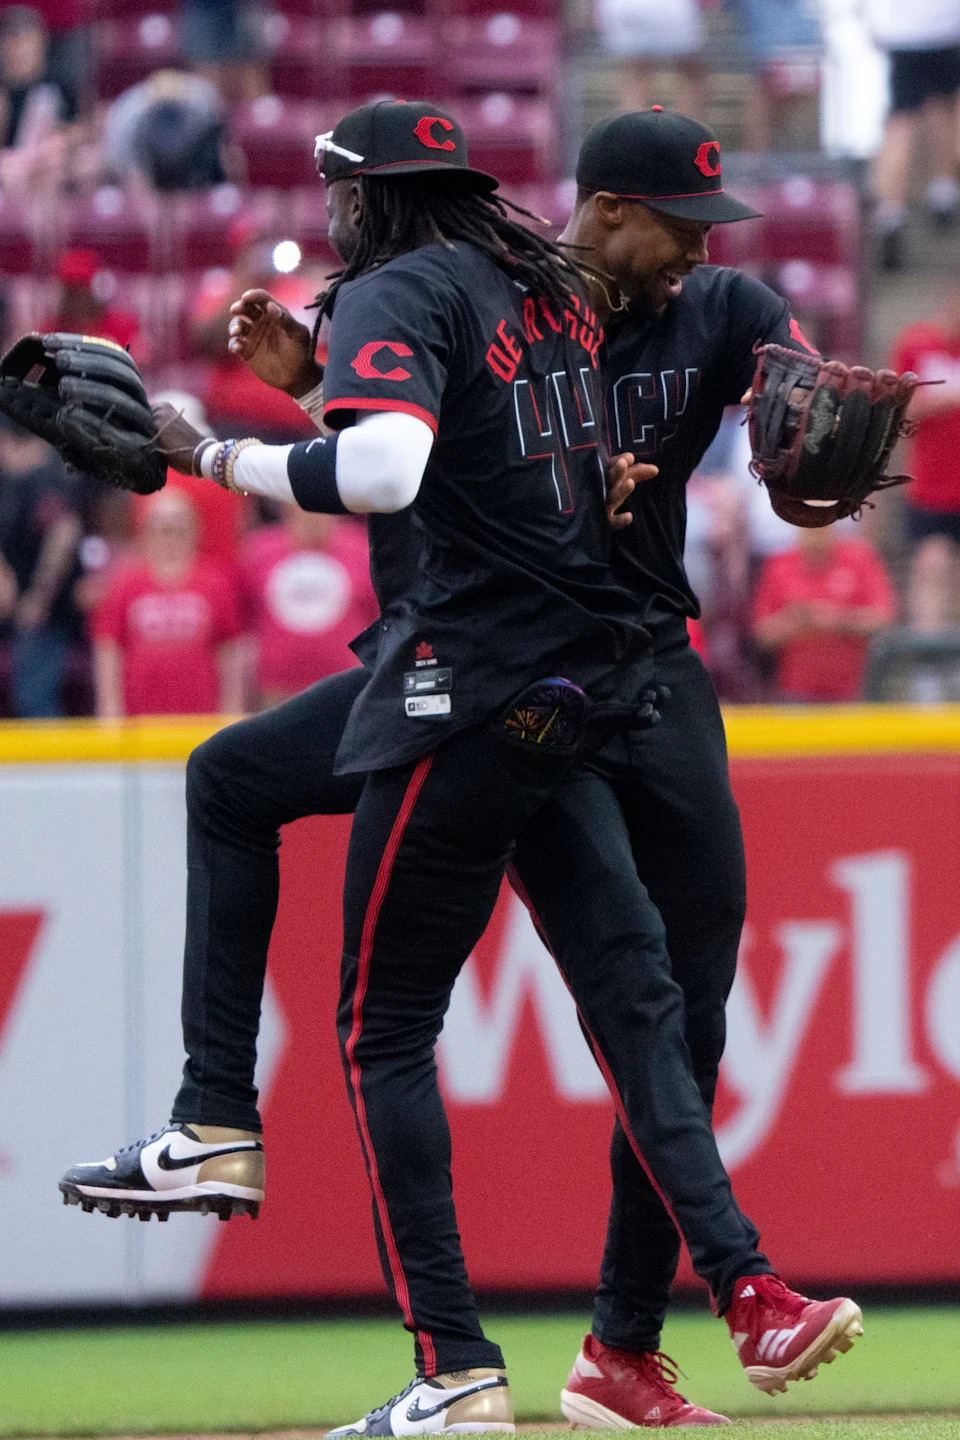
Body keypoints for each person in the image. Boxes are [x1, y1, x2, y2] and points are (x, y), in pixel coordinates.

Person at [60, 103, 862, 1427]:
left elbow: (394, 465)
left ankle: (452, 1356)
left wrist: (211, 452)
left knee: (397, 1021)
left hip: (478, 677)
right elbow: (466, 458)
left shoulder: (425, 283)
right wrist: (323, 388)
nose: (694, 251)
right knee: (640, 1001)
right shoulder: (538, 297)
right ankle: (741, 1290)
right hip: (562, 682)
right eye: (678, 224)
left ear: (361, 200)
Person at [91, 488, 244, 718]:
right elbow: (108, 648)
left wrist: (232, 707)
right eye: (162, 529)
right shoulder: (126, 583)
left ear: (194, 530)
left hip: (202, 717)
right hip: (139, 722)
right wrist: (109, 706)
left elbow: (230, 650)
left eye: (178, 529)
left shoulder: (215, 583)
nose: (170, 537)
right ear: (146, 533)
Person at [240, 508, 377, 709]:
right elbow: (244, 623)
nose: (314, 515)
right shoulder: (259, 550)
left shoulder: (362, 549)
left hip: (347, 690)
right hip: (276, 692)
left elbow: (379, 620)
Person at [866, 0, 960, 270]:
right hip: (944, 27)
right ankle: (944, 193)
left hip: (905, 32)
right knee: (943, 110)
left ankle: (891, 216)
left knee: (902, 124)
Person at [752, 525, 896, 700]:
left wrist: (835, 619)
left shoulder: (860, 558)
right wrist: (796, 621)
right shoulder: (780, 564)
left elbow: (882, 618)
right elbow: (762, 634)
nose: (815, 531)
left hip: (852, 689)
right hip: (795, 690)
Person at [890, 282, 960, 630]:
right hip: (932, 485)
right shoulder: (917, 345)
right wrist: (942, 401)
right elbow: (899, 410)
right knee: (930, 566)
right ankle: (928, 661)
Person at [0, 419, 81, 718]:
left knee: (35, 702)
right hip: (13, 601)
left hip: (45, 612)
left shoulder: (51, 476)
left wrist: (40, 595)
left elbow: (63, 534)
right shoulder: (8, 480)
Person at [42, 249, 140, 355]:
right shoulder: (51, 332)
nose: (76, 300)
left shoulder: (122, 328)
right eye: (70, 290)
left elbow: (139, 363)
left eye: (82, 289)